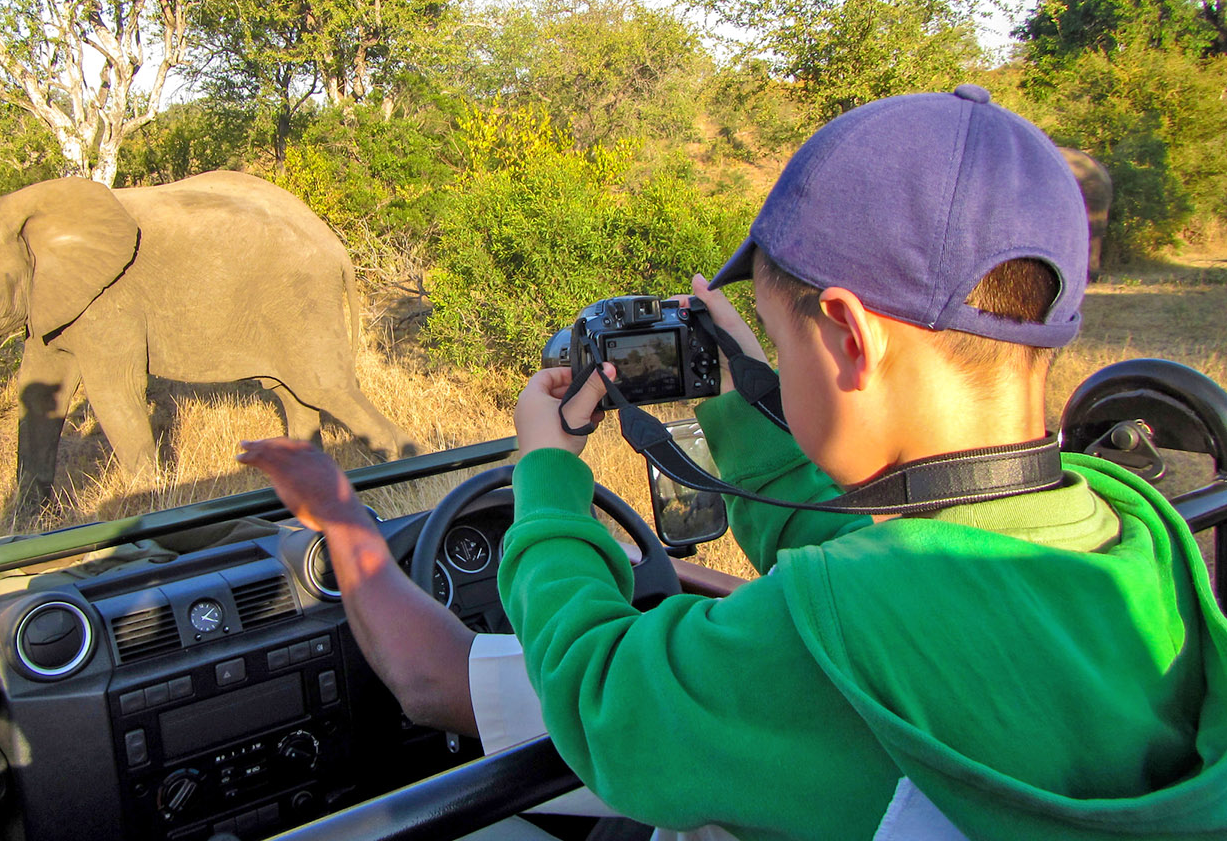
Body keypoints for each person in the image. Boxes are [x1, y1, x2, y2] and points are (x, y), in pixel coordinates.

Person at [241, 85, 1227, 840]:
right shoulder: (1138, 538)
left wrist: (546, 477)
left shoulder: (815, 639)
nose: (769, 363)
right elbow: (907, 542)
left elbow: (594, 691)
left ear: (846, 334)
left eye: (775, 338)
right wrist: (746, 395)